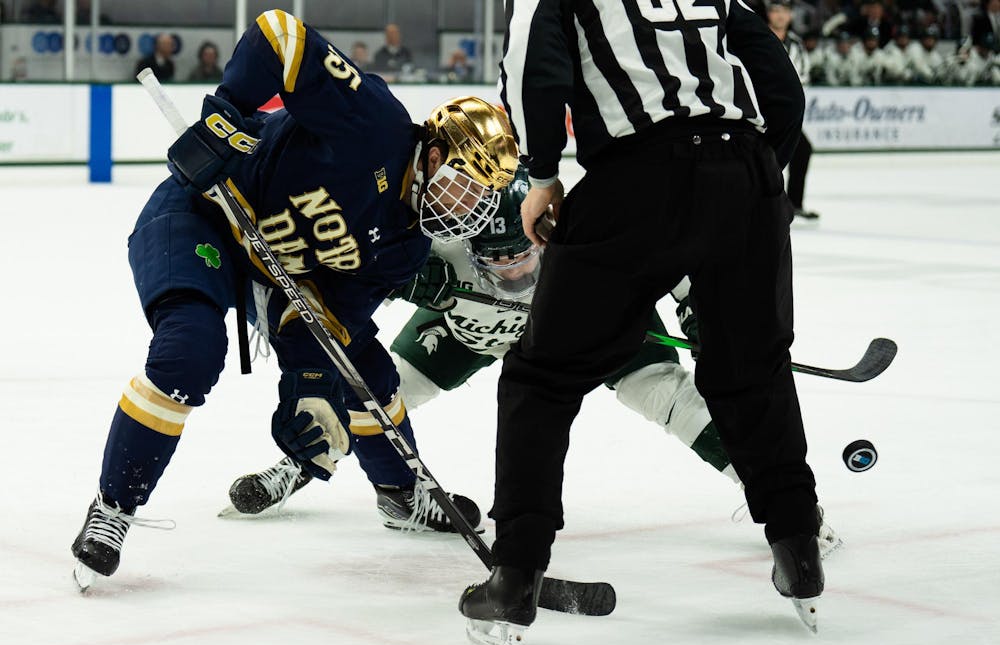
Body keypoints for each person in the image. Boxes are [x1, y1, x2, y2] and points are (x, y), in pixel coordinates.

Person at [71, 9, 518, 591]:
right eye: (464, 185)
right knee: (190, 351)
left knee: (364, 368)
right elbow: (280, 33)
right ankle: (113, 508)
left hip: (277, 270)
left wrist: (307, 393)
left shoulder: (406, 248)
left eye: (480, 197)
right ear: (433, 154)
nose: (467, 208)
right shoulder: (375, 125)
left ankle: (401, 495)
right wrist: (227, 118)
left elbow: (326, 316)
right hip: (201, 213)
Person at [460, 0, 824, 645]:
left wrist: (542, 175)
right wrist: (756, 176)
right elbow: (778, 79)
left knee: (541, 377)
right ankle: (798, 545)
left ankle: (514, 573)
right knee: (753, 370)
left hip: (636, 177)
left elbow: (532, 71)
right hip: (745, 171)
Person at [225, 166, 841, 551]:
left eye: (523, 255)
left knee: (666, 394)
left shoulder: (577, 226)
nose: (515, 270)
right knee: (373, 395)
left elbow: (671, 255)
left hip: (577, 319)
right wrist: (414, 283)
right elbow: (361, 271)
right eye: (498, 261)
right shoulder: (441, 237)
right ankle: (294, 467)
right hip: (472, 329)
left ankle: (784, 506)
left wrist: (695, 311)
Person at [769, 0, 819, 221]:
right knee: (766, 158)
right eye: (776, 10)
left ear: (790, 16)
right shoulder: (758, 37)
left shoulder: (796, 45)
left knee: (802, 150)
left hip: (786, 111)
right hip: (761, 110)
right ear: (769, 13)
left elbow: (803, 78)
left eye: (784, 11)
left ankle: (794, 203)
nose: (780, 16)